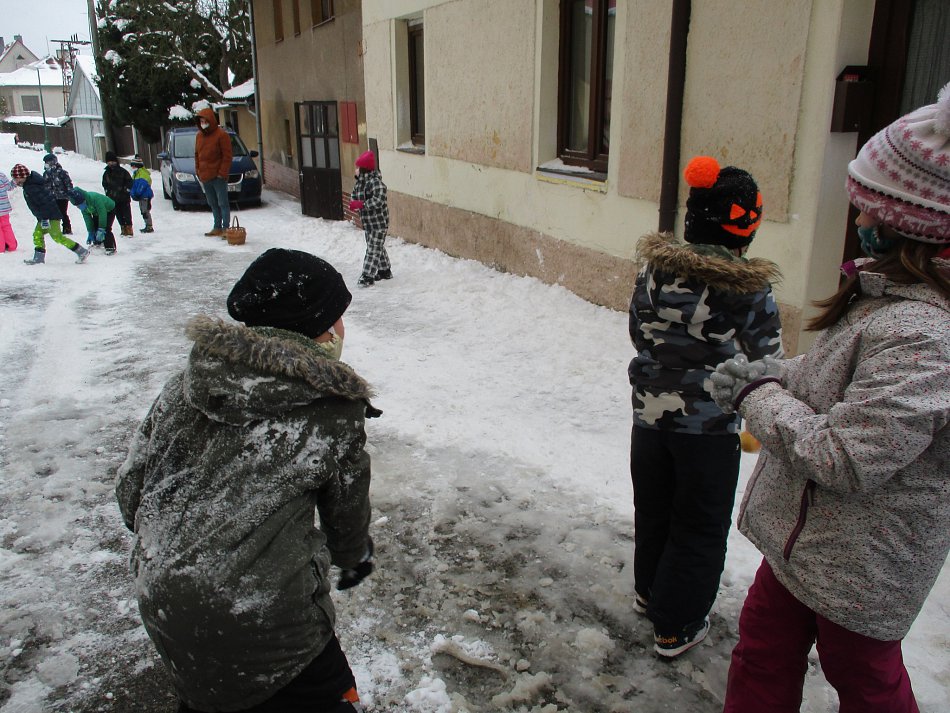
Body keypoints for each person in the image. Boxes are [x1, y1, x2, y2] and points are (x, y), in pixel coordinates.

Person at [712, 86, 950, 713]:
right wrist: (774, 373)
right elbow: (836, 379)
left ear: (916, 225)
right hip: (804, 542)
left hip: (860, 566)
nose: (860, 223)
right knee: (761, 653)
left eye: (870, 211)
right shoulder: (888, 298)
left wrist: (757, 395)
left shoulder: (926, 335)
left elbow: (846, 456)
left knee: (866, 685)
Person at [116, 248, 379, 713]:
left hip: (161, 600)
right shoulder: (331, 408)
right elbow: (346, 513)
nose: (341, 329)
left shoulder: (184, 385)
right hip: (268, 618)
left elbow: (131, 492)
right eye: (334, 319)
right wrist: (352, 556)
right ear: (313, 328)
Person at [627, 155, 784, 658]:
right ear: (744, 226)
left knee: (655, 509)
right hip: (710, 429)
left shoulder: (653, 273)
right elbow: (767, 362)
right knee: (699, 524)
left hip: (648, 418)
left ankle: (650, 592)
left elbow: (639, 334)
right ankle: (676, 624)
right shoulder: (748, 288)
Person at [11, 164, 88, 265]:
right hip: (44, 216)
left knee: (57, 236)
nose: (15, 181)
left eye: (16, 179)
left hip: (50, 216)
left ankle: (81, 251)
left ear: (22, 177)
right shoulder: (29, 185)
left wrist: (44, 218)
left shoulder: (32, 187)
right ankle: (38, 258)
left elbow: (44, 203)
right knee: (37, 234)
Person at [348, 150, 391, 287]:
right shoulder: (359, 184)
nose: (356, 170)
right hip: (368, 223)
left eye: (358, 167)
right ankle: (384, 270)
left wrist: (363, 205)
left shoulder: (376, 183)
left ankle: (367, 275)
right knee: (376, 246)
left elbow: (378, 200)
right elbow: (354, 197)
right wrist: (354, 203)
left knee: (373, 249)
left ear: (364, 169)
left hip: (379, 222)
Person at [194, 107, 233, 237]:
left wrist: (222, 173)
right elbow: (197, 155)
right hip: (205, 176)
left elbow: (227, 156)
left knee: (223, 203)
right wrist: (198, 170)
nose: (203, 124)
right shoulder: (199, 136)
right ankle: (217, 226)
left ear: (211, 120)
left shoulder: (221, 135)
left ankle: (226, 228)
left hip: (218, 176)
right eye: (201, 121)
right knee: (212, 203)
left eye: (205, 121)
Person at [69, 187, 117, 255]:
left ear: (84, 200)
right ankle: (97, 243)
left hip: (109, 210)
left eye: (80, 204)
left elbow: (102, 213)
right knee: (95, 227)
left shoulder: (95, 198)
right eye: (77, 206)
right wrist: (90, 231)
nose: (79, 207)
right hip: (96, 212)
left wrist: (101, 228)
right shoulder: (83, 207)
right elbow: (87, 218)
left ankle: (110, 247)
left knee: (106, 228)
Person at [102, 151, 134, 237]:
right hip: (112, 198)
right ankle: (123, 228)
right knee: (118, 214)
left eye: (113, 161)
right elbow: (104, 183)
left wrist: (126, 190)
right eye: (109, 162)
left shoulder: (123, 172)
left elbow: (129, 182)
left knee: (126, 213)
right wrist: (107, 191)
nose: (111, 164)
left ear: (116, 161)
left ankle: (129, 228)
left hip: (124, 197)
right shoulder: (106, 173)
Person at [42, 153, 74, 234]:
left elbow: (68, 184)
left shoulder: (62, 172)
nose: (46, 164)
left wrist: (70, 192)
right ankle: (53, 228)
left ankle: (67, 228)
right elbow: (44, 185)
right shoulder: (46, 173)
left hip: (62, 197)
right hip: (51, 197)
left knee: (62, 212)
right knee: (52, 213)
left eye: (47, 162)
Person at [129, 155, 154, 233]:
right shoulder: (136, 174)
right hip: (141, 196)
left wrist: (137, 193)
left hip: (144, 196)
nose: (132, 167)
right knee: (143, 211)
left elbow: (142, 185)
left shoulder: (142, 173)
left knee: (145, 211)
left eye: (133, 166)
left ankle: (149, 226)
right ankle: (147, 225)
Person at [0, 170, 17, 252]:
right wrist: (14, 181)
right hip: (4, 207)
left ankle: (1, 247)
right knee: (6, 226)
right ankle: (12, 245)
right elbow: (9, 187)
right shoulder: (1, 175)